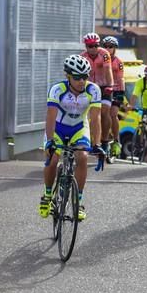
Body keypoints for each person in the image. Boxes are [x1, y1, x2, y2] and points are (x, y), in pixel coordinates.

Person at [39, 55, 104, 221]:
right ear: (68, 76)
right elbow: (51, 116)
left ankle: (78, 201)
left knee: (82, 157)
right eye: (77, 77)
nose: (82, 81)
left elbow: (95, 119)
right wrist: (50, 142)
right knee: (53, 159)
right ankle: (47, 195)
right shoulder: (57, 89)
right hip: (58, 128)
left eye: (85, 76)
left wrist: (97, 144)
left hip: (79, 129)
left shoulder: (93, 90)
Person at [80, 33, 114, 156]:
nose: (93, 48)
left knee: (104, 112)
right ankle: (88, 139)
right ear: (86, 46)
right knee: (88, 114)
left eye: (96, 45)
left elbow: (108, 70)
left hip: (104, 86)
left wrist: (110, 85)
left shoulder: (104, 54)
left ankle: (104, 141)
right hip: (89, 88)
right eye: (90, 46)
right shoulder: (82, 57)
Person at [102, 36, 124, 158]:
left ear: (115, 48)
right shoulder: (101, 59)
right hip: (103, 89)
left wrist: (120, 93)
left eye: (111, 46)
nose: (108, 49)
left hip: (116, 89)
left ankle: (116, 140)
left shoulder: (118, 62)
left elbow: (121, 78)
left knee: (113, 114)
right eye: (105, 46)